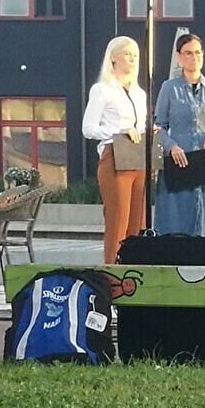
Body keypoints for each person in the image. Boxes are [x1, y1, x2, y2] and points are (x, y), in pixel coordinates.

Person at [150, 30, 205, 239]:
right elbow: (158, 126)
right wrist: (171, 146)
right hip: (179, 160)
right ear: (179, 57)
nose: (194, 57)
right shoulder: (169, 88)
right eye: (188, 53)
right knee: (177, 218)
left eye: (198, 52)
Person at [81, 35, 150, 263]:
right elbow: (88, 128)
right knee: (117, 219)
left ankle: (133, 269)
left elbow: (140, 125)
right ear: (113, 57)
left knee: (137, 222)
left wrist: (148, 131)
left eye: (135, 55)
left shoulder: (139, 93)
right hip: (114, 155)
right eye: (127, 54)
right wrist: (118, 132)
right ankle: (111, 269)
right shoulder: (102, 90)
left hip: (137, 156)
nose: (132, 59)